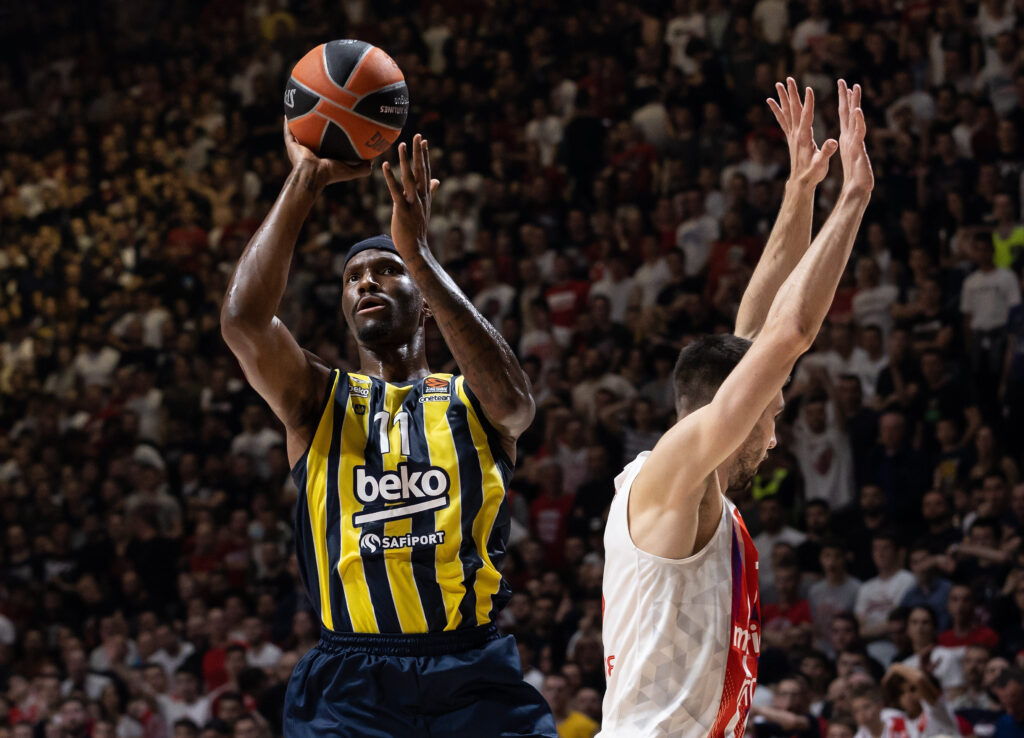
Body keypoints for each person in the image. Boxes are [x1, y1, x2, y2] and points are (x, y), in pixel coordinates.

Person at [220, 127, 555, 736]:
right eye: (353, 278)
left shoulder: (468, 396)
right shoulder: (319, 398)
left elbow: (514, 406)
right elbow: (243, 319)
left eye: (386, 270)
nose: (366, 282)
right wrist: (306, 179)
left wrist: (421, 256)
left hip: (469, 670)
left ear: (423, 298)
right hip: (353, 682)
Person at [600, 79, 872, 736]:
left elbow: (756, 329)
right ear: (731, 411)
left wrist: (801, 190)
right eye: (770, 415)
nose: (774, 436)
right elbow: (788, 336)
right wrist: (853, 200)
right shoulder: (671, 474)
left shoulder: (695, 478)